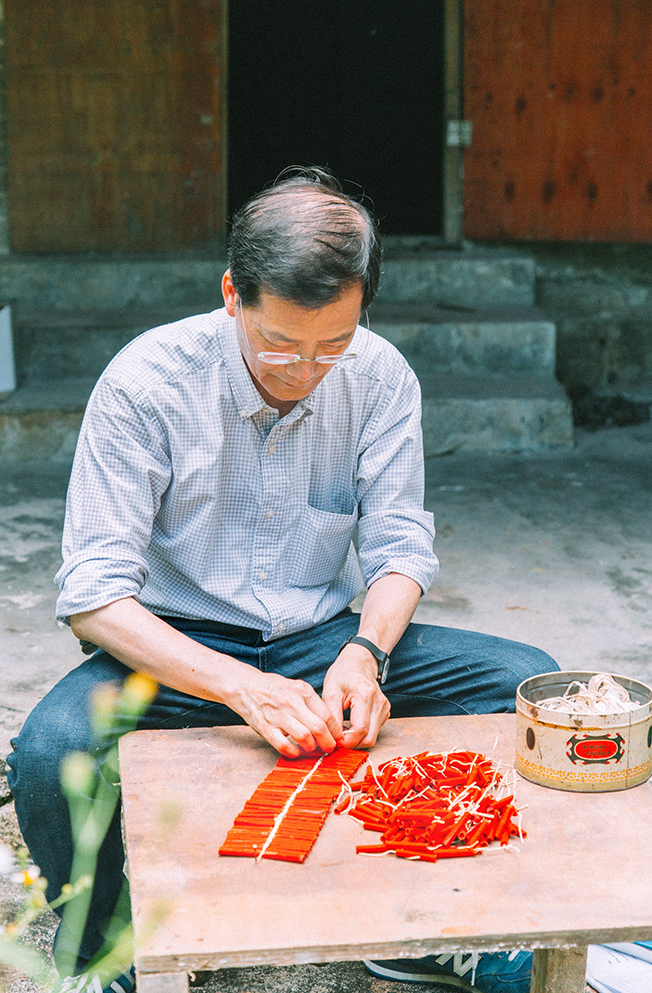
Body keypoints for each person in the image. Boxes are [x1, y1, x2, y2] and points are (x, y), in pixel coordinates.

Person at [7, 167, 557, 993]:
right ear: (233, 293)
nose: (303, 371)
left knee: (524, 686)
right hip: (173, 652)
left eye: (331, 345)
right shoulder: (146, 382)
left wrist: (367, 652)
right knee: (49, 754)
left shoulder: (377, 376)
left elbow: (400, 544)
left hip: (321, 642)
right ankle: (105, 948)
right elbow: (93, 594)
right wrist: (238, 687)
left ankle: (430, 928)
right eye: (278, 345)